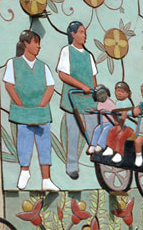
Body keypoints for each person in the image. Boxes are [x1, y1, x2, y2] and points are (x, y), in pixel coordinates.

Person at [3, 30, 59, 191]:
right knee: (24, 143)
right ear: (26, 44)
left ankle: (46, 178)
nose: (38, 46)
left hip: (40, 112)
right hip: (23, 111)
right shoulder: (13, 63)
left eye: (39, 43)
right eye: (35, 42)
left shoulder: (43, 66)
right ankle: (24, 171)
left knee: (44, 145)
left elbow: (50, 87)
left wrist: (42, 104)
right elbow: (9, 85)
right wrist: (20, 104)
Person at [57, 21, 98, 180]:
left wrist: (93, 90)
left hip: (88, 101)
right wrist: (82, 86)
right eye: (81, 32)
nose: (84, 35)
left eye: (85, 32)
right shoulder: (67, 51)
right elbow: (63, 75)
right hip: (73, 100)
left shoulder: (89, 55)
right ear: (73, 34)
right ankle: (72, 166)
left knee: (94, 134)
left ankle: (99, 163)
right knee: (73, 134)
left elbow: (93, 78)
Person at [103, 82, 135, 163]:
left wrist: (120, 126)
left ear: (127, 94)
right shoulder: (118, 102)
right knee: (111, 131)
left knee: (121, 135)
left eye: (122, 92)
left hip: (129, 127)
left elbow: (124, 115)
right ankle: (110, 148)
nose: (119, 93)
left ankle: (119, 153)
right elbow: (115, 113)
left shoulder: (126, 102)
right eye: (117, 91)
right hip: (121, 125)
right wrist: (117, 123)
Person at [87, 84, 116, 154]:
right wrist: (93, 110)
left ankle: (100, 145)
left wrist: (106, 111)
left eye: (103, 93)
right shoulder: (99, 103)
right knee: (97, 129)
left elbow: (114, 112)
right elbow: (99, 110)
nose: (102, 96)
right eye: (99, 95)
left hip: (111, 123)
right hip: (103, 123)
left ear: (107, 93)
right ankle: (93, 145)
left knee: (106, 130)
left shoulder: (110, 102)